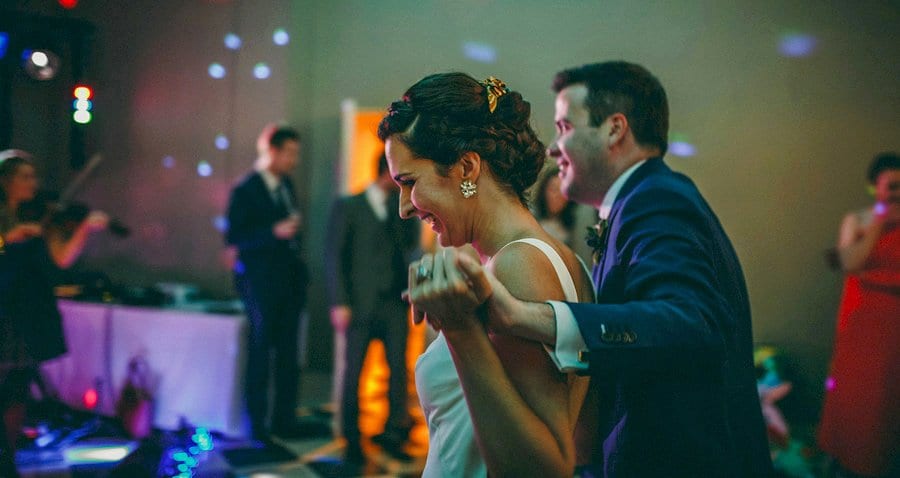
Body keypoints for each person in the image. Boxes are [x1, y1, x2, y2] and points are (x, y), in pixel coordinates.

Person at [407, 62, 773, 477]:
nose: (551, 147)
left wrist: (520, 316)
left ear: (615, 129)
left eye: (565, 126)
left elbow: (689, 323)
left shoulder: (658, 200)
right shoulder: (637, 205)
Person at [379, 72, 595, 477]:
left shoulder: (521, 264)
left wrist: (460, 331)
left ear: (466, 166)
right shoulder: (560, 259)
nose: (405, 207)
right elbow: (581, 436)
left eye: (409, 183)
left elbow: (546, 469)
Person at [0, 149, 108, 477]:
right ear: (5, 180)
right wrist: (6, 237)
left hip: (30, 311)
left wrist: (84, 230)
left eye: (34, 176)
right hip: (3, 309)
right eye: (26, 176)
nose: (34, 183)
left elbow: (60, 259)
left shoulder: (38, 216)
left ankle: (9, 460)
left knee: (18, 392)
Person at [325, 152, 421, 467]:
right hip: (359, 304)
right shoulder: (348, 206)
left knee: (399, 371)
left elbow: (411, 249)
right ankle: (351, 438)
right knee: (353, 372)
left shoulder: (403, 210)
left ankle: (395, 433)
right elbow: (334, 257)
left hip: (394, 303)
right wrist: (339, 301)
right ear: (387, 173)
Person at [818, 152, 900, 478]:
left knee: (888, 401)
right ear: (873, 188)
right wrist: (880, 222)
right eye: (891, 186)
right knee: (856, 394)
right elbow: (850, 264)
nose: (897, 193)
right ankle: (846, 460)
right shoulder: (857, 220)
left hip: (895, 324)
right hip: (861, 322)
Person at [225, 125, 310, 441]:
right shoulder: (245, 189)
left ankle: (284, 419)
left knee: (289, 354)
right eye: (289, 152)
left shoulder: (286, 184)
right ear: (271, 150)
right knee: (261, 353)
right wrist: (274, 232)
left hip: (289, 283)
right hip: (260, 284)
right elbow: (234, 238)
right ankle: (257, 425)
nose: (294, 159)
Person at [532, 164, 579, 248]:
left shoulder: (574, 227)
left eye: (563, 192)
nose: (558, 196)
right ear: (544, 191)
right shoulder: (531, 219)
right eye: (554, 189)